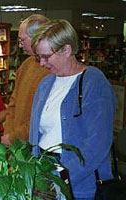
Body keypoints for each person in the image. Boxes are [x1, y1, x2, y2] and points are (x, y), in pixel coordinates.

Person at [29, 19, 116, 199]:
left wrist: (62, 179)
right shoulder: (46, 83)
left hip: (78, 182)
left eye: (46, 56)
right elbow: (36, 134)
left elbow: (97, 144)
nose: (42, 63)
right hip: (43, 172)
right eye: (39, 57)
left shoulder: (94, 82)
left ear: (66, 50)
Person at [1, 14, 50, 145]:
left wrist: (15, 137)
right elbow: (13, 104)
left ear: (37, 37)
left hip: (38, 143)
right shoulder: (26, 65)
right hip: (16, 144)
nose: (21, 45)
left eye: (23, 40)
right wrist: (9, 134)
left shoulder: (52, 70)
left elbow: (43, 116)